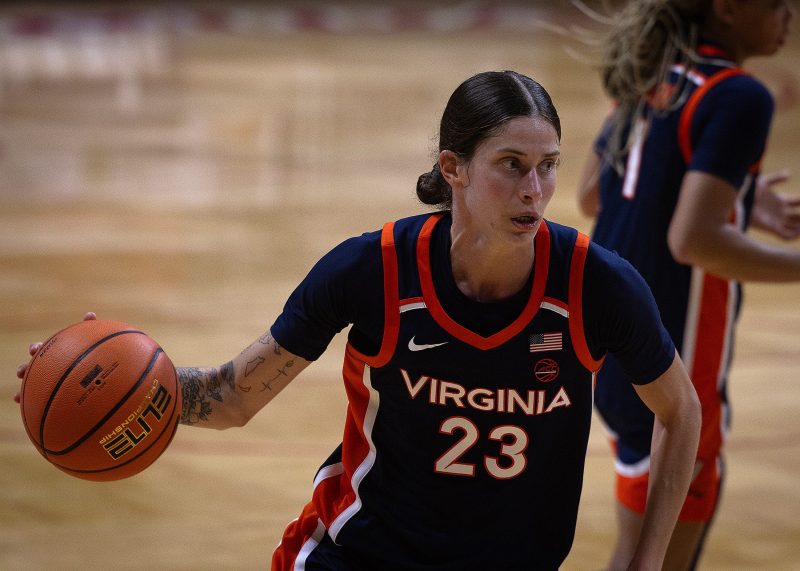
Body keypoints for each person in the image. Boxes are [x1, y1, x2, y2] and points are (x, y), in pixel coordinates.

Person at [17, 70, 701, 570]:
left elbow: (681, 410)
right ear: (454, 168)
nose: (534, 189)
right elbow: (231, 397)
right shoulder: (372, 270)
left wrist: (646, 563)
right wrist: (114, 386)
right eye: (512, 165)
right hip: (362, 556)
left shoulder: (595, 284)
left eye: (548, 166)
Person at [576, 1, 799, 569]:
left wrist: (737, 194)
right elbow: (693, 241)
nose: (789, 15)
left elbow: (592, 195)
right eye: (776, 3)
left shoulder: (653, 71)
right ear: (727, 8)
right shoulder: (740, 95)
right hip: (677, 368)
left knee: (634, 553)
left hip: (609, 348)